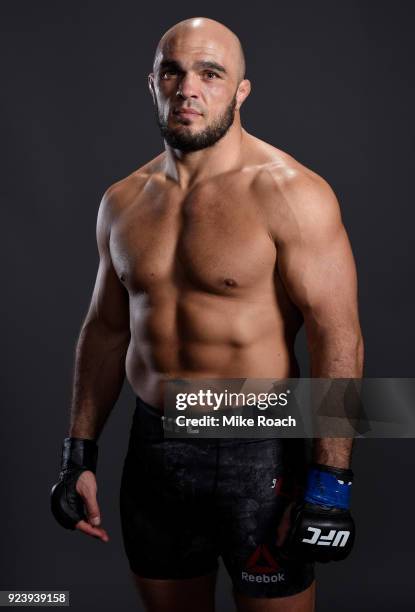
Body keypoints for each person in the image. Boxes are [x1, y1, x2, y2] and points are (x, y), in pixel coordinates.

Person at [51, 16, 364, 612]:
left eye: (210, 73)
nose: (188, 88)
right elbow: (106, 332)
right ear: (153, 83)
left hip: (259, 451)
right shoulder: (122, 201)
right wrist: (78, 454)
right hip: (155, 451)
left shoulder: (292, 193)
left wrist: (331, 482)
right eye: (174, 71)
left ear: (241, 90)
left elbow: (338, 337)